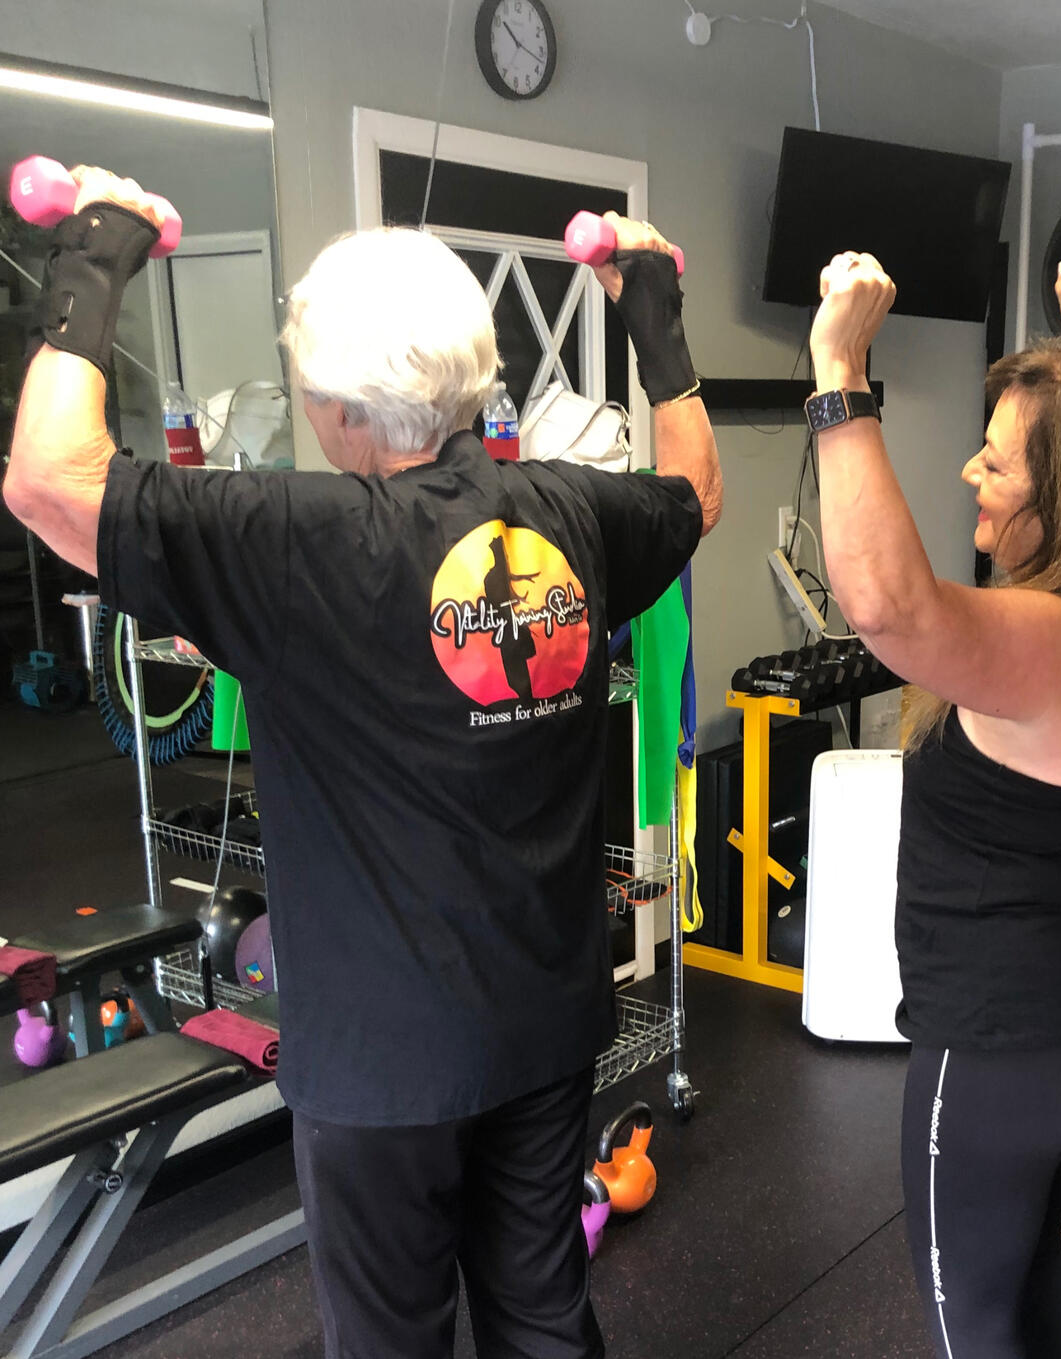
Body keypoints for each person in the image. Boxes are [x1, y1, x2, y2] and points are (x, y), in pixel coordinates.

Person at [3, 166, 721, 1359]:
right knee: (542, 1313)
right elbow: (696, 491)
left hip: (382, 1065)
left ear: (335, 408)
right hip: (542, 1024)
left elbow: (43, 476)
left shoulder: (292, 538)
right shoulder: (574, 513)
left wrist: (98, 249)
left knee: (388, 1342)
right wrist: (652, 310)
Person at [806, 250, 1061, 1358]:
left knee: (972, 1321)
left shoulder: (1053, 644)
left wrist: (839, 370)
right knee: (1027, 1270)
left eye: (992, 462)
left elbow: (887, 603)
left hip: (1002, 1049)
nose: (969, 479)